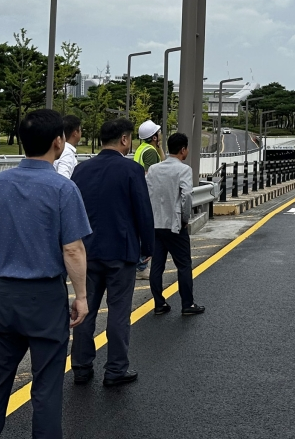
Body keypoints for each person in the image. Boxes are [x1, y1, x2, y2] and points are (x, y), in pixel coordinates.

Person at [0, 108, 91, 439]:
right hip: (44, 298)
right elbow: (72, 248)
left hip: (4, 293)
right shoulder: (61, 189)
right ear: (59, 142)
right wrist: (82, 296)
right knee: (46, 389)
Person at [70, 117, 155, 386]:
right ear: (124, 139)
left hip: (86, 252)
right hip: (122, 251)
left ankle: (81, 367)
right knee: (119, 312)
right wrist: (148, 247)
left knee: (85, 310)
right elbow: (143, 211)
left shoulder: (81, 171)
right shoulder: (131, 170)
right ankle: (116, 369)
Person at [146, 132, 206, 317]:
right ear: (183, 149)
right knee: (183, 265)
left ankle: (159, 304)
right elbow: (187, 195)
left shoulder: (154, 169)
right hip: (175, 225)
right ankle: (187, 304)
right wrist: (185, 218)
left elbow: (147, 194)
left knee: (157, 265)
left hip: (156, 224)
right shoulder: (184, 170)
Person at [132, 121, 160, 278]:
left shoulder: (142, 148)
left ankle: (140, 264)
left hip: (141, 191)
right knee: (146, 230)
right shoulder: (149, 151)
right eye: (158, 133)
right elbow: (152, 173)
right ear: (154, 137)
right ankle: (142, 266)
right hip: (148, 194)